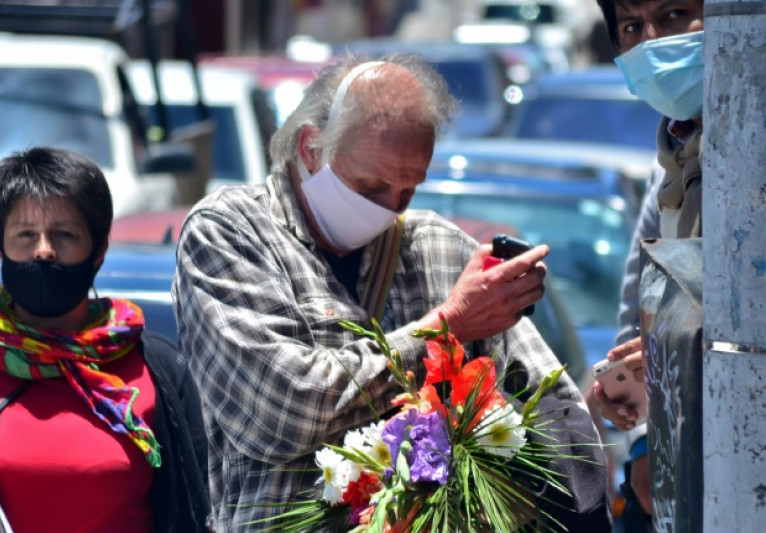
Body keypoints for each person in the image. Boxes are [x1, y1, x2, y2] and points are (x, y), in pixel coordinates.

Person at [172, 54, 612, 532]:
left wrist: (605, 391)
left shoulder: (438, 248)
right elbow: (281, 413)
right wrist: (448, 327)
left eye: (407, 191)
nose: (387, 208)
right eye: (371, 185)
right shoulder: (230, 234)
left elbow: (550, 408)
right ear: (311, 147)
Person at [0, 147, 210, 533]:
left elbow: (200, 501)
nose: (44, 250)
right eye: (26, 234)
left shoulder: (156, 368)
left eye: (64, 235)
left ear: (99, 249)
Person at [590, 0, 704, 529]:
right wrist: (640, 438)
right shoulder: (671, 167)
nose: (654, 40)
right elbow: (639, 310)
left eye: (676, 14)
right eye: (633, 26)